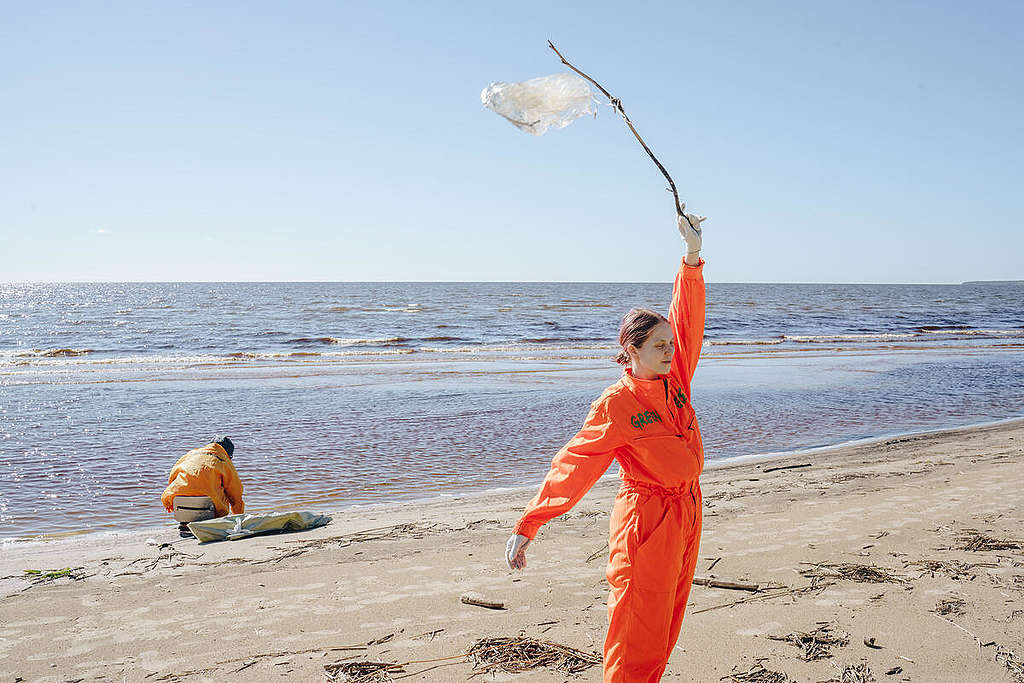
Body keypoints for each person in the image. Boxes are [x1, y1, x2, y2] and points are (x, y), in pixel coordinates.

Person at [505, 210, 708, 682]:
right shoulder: (616, 404)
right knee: (638, 622)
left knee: (668, 622)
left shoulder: (674, 378)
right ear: (632, 350)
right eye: (659, 345)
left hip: (687, 510)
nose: (669, 351)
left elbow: (688, 321)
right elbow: (575, 462)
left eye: (670, 344)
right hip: (647, 522)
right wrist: (530, 522)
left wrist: (692, 257)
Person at [161, 436, 244, 536]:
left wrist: (169, 502)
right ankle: (209, 523)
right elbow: (236, 496)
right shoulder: (224, 461)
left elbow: (172, 478)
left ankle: (185, 523)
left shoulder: (190, 455)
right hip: (209, 509)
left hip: (181, 505)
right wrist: (238, 519)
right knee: (226, 491)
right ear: (228, 453)